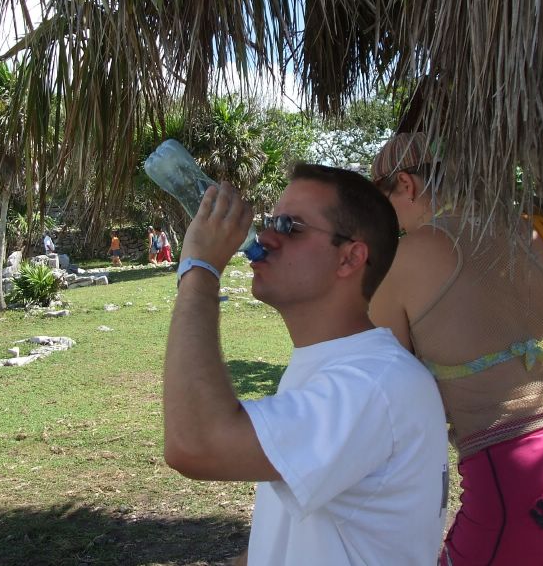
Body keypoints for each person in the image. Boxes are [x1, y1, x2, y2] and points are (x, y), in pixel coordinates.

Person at [164, 163, 449, 565]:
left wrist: (199, 269)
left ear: (349, 258)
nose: (264, 237)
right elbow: (299, 533)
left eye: (290, 226)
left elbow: (195, 445)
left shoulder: (373, 384)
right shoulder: (334, 367)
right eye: (270, 222)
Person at [369, 132, 543, 565]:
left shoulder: (408, 260)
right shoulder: (540, 233)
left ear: (405, 184)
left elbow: (391, 405)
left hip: (518, 493)